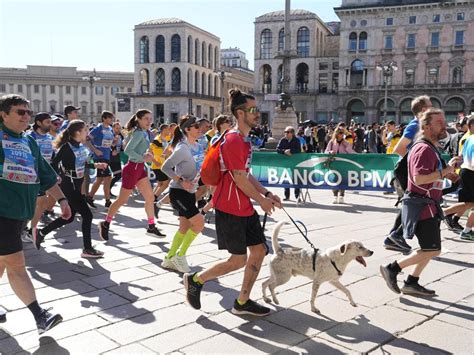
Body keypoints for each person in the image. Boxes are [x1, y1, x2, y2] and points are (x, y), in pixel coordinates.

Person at [183, 89, 282, 316]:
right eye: (253, 110)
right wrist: (261, 200)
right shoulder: (234, 140)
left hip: (242, 206)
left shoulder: (243, 140)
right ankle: (196, 280)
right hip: (229, 206)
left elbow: (245, 173)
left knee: (258, 251)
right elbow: (238, 178)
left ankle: (242, 302)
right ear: (240, 113)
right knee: (238, 260)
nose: (257, 114)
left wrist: (266, 194)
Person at [0, 94, 70, 332]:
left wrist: (61, 199)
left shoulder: (28, 142)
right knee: (16, 265)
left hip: (20, 213)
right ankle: (40, 316)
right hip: (3, 212)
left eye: (28, 112)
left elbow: (46, 173)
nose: (26, 116)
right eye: (20, 112)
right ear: (3, 114)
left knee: (2, 262)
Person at [380, 108, 461, 296]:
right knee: (432, 250)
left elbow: (430, 176)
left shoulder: (430, 147)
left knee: (430, 248)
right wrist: (445, 170)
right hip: (422, 207)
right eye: (439, 123)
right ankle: (392, 268)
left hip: (429, 205)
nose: (445, 125)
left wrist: (449, 174)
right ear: (426, 127)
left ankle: (412, 282)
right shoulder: (423, 148)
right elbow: (418, 179)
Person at [37, 120, 106, 258]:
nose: (87, 132)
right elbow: (54, 163)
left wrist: (96, 165)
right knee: (88, 215)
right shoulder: (66, 147)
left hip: (77, 184)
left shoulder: (80, 146)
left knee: (68, 217)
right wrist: (57, 176)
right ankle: (87, 249)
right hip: (69, 186)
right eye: (85, 130)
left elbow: (83, 163)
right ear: (77, 132)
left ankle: (40, 233)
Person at [99, 109, 165, 240]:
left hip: (139, 168)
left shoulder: (143, 132)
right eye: (146, 118)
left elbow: (132, 146)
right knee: (122, 200)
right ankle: (105, 224)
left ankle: (151, 226)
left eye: (150, 119)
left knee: (150, 197)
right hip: (132, 168)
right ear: (139, 119)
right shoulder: (139, 133)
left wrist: (148, 155)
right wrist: (143, 156)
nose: (149, 121)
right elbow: (128, 150)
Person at [384, 96, 433, 253]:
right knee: (415, 202)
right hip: (409, 172)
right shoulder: (414, 125)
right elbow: (399, 148)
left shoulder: (421, 125)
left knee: (413, 202)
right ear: (423, 110)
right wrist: (416, 164)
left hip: (413, 172)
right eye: (431, 107)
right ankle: (396, 235)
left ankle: (394, 237)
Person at [160, 115, 206, 273]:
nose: (199, 129)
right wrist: (181, 181)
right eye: (196, 126)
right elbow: (165, 167)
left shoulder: (197, 145)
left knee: (184, 227)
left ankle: (168, 259)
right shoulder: (182, 148)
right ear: (187, 129)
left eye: (199, 126)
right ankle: (180, 256)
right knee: (199, 223)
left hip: (190, 192)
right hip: (179, 192)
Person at [23, 113, 56, 243]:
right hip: (31, 175)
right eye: (48, 122)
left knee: (40, 203)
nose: (51, 124)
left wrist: (54, 173)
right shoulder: (30, 137)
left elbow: (51, 157)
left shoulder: (49, 137)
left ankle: (31, 230)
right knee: (37, 203)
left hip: (42, 174)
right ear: (39, 123)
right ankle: (27, 230)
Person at [444, 116, 474, 231]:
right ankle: (444, 213)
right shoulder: (468, 138)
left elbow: (460, 156)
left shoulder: (469, 137)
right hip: (468, 171)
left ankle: (455, 220)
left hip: (466, 171)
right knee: (468, 203)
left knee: (469, 203)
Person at [86, 111, 115, 208]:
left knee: (100, 179)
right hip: (99, 157)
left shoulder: (110, 129)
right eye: (110, 118)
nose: (112, 120)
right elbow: (87, 140)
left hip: (107, 156)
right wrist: (95, 150)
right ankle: (107, 201)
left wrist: (113, 144)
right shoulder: (98, 128)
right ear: (104, 119)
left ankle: (90, 197)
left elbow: (108, 143)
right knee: (107, 178)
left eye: (112, 118)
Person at [325, 127, 354, 204]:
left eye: (343, 133)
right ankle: (335, 196)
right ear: (336, 134)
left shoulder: (346, 142)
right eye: (340, 133)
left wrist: (346, 145)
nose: (342, 135)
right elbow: (326, 151)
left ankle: (341, 196)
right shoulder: (331, 142)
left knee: (343, 179)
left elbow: (350, 152)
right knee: (334, 179)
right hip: (333, 163)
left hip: (343, 163)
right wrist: (330, 152)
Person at [150, 124, 171, 217]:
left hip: (164, 165)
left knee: (160, 184)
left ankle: (151, 199)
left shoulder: (167, 139)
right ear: (163, 130)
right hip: (157, 166)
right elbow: (149, 152)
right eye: (167, 129)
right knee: (166, 182)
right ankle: (154, 199)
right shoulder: (156, 140)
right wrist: (155, 161)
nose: (169, 131)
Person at [276, 126, 301, 201]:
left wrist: (290, 151)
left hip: (294, 163)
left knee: (296, 179)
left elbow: (298, 150)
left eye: (288, 132)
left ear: (292, 133)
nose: (286, 134)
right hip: (285, 163)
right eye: (285, 132)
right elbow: (277, 149)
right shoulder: (282, 140)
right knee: (286, 179)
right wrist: (284, 151)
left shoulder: (296, 140)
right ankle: (287, 196)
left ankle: (297, 196)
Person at [109, 121, 124, 196]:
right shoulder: (110, 135)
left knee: (118, 174)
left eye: (119, 128)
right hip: (111, 157)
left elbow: (121, 147)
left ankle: (108, 189)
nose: (118, 129)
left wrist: (123, 147)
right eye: (116, 128)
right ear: (113, 128)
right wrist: (113, 147)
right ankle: (107, 190)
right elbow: (108, 146)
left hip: (117, 157)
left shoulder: (120, 135)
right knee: (117, 174)